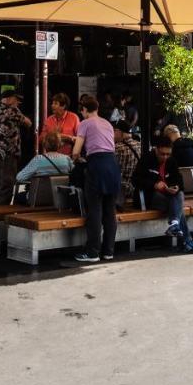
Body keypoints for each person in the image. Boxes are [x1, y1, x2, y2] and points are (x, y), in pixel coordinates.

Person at [71, 95, 121, 263]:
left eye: (82, 110)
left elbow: (76, 151)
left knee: (95, 210)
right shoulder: (107, 123)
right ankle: (108, 251)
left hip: (97, 165)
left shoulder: (84, 123)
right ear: (97, 109)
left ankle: (92, 252)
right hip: (112, 165)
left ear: (84, 110)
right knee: (110, 210)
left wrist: (77, 159)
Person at [134, 136, 193, 254]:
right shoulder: (146, 159)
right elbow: (135, 180)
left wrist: (176, 187)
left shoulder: (171, 161)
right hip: (149, 197)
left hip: (168, 196)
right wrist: (154, 185)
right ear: (156, 149)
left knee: (178, 194)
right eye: (162, 154)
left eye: (167, 154)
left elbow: (179, 180)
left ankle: (175, 225)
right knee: (177, 207)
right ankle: (185, 239)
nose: (165, 157)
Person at [0, 89, 30, 205]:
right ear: (9, 99)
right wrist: (16, 109)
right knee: (7, 187)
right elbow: (28, 123)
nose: (18, 102)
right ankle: (1, 215)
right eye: (16, 100)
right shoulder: (12, 111)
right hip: (8, 154)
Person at [113, 124, 141, 206]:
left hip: (121, 190)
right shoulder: (140, 145)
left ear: (119, 132)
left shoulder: (117, 148)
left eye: (114, 131)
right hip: (137, 188)